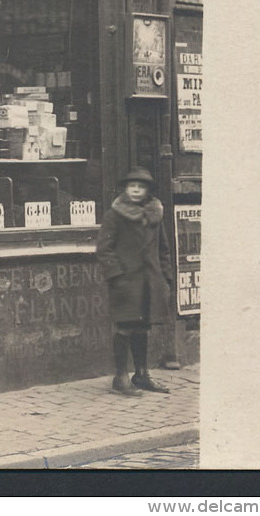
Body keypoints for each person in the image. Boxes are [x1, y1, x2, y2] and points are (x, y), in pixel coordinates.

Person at [94, 166, 176, 397]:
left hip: (150, 282)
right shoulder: (114, 215)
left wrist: (166, 278)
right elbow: (104, 250)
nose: (136, 190)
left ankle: (141, 374)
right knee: (125, 328)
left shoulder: (154, 215)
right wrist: (117, 276)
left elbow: (164, 249)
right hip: (126, 283)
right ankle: (120, 377)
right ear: (125, 189)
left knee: (142, 328)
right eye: (132, 186)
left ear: (148, 191)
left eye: (141, 187)